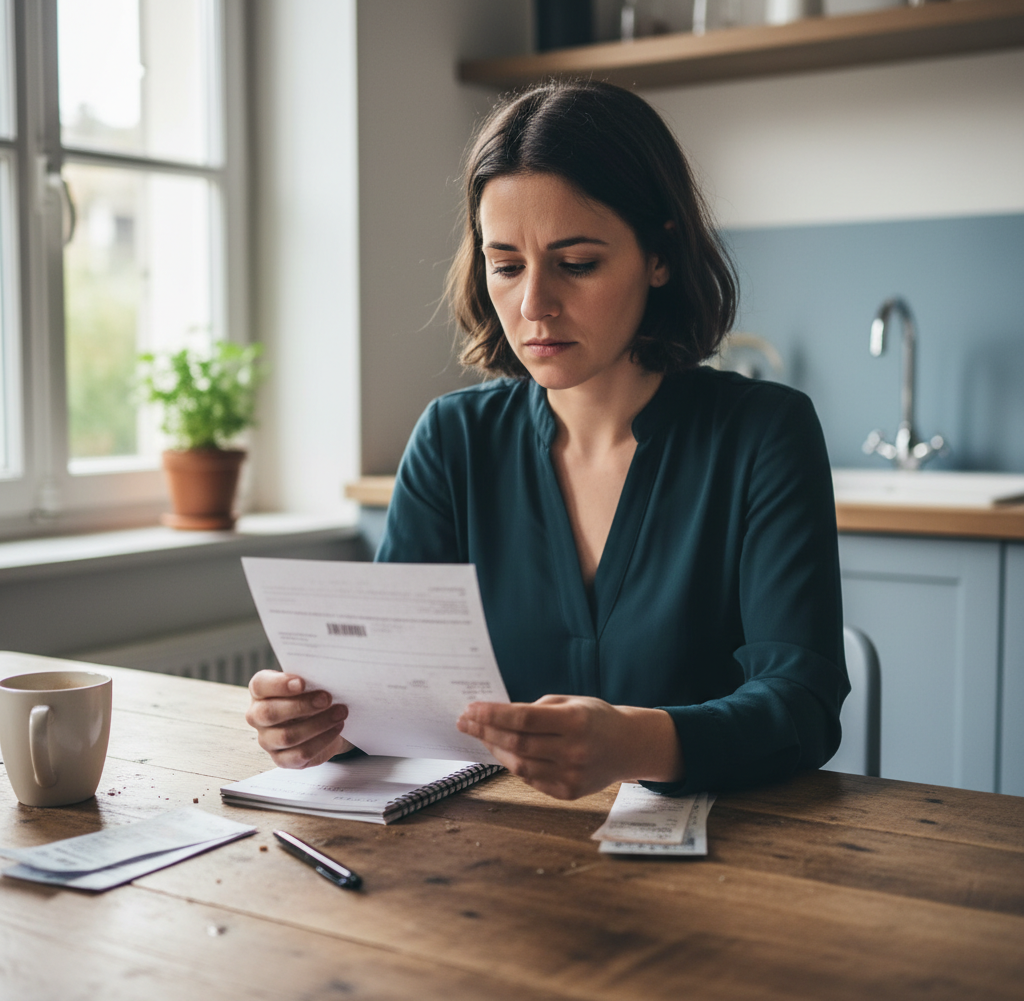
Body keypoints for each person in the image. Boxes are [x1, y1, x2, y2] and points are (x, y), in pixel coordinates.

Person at [246, 81, 848, 801]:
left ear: (660, 255)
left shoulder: (764, 435)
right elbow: (397, 699)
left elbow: (802, 705)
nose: (533, 305)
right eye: (506, 265)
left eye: (577, 263)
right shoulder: (451, 440)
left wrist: (637, 742)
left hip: (721, 868)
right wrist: (323, 721)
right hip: (487, 872)